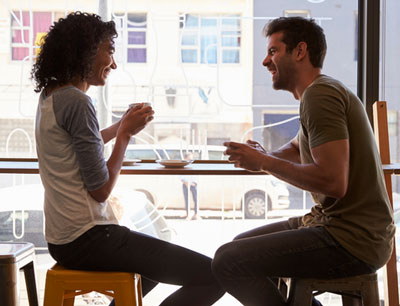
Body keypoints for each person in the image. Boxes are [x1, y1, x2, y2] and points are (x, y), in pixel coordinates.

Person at [32, 12, 224, 306]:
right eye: (109, 51)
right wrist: (124, 136)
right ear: (85, 50)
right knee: (213, 275)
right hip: (90, 237)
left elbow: (80, 144)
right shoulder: (78, 102)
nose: (114, 63)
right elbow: (101, 190)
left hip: (62, 240)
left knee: (153, 266)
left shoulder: (51, 96)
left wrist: (121, 126)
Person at [211, 16, 395, 306]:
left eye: (273, 51)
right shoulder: (320, 92)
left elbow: (333, 182)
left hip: (352, 239)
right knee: (237, 248)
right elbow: (298, 148)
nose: (265, 62)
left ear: (299, 52)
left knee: (228, 261)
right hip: (337, 226)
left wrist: (263, 162)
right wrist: (264, 155)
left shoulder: (319, 96)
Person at [180, 152, 200, 220]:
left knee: (196, 199)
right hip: (185, 184)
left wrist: (193, 182)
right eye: (189, 158)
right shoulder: (183, 165)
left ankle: (196, 214)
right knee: (187, 199)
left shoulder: (193, 164)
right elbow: (181, 176)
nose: (190, 159)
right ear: (186, 158)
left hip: (193, 184)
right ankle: (188, 214)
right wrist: (186, 183)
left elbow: (196, 174)